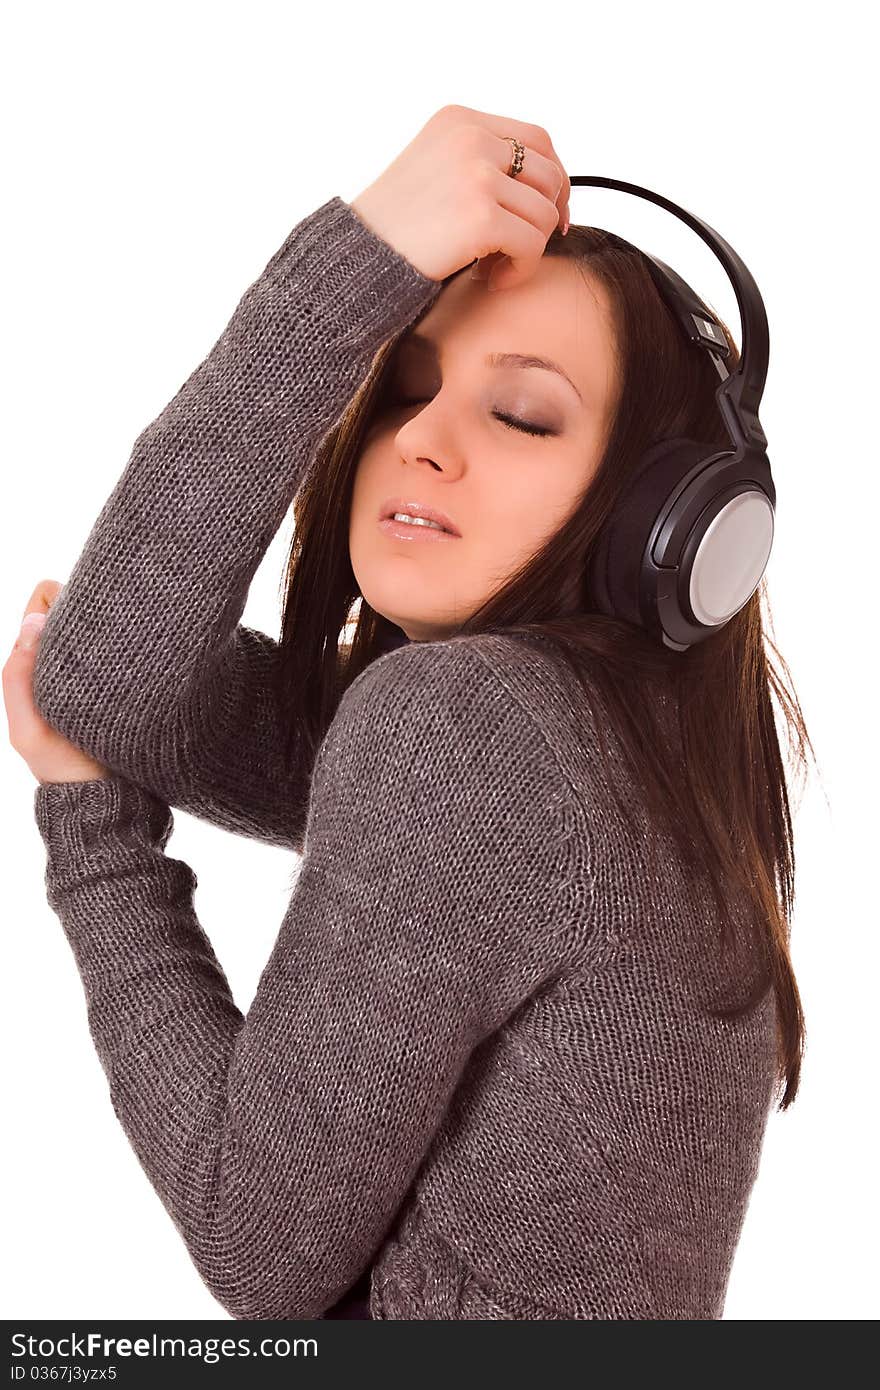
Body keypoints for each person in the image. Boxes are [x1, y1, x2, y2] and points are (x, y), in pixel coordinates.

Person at [4, 103, 812, 1320]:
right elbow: (107, 670)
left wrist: (96, 838)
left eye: (523, 412)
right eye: (408, 384)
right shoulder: (595, 747)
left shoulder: (474, 729)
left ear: (665, 527)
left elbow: (255, 1251)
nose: (420, 440)